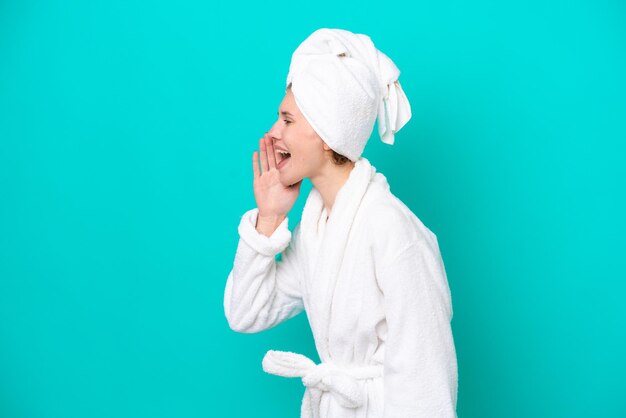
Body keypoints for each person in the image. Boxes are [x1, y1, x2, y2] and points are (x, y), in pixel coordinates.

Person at [224, 28, 458, 418]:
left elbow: (426, 382)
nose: (272, 132)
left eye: (287, 120)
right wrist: (269, 218)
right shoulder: (319, 229)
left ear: (327, 133)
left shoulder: (394, 232)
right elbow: (246, 312)